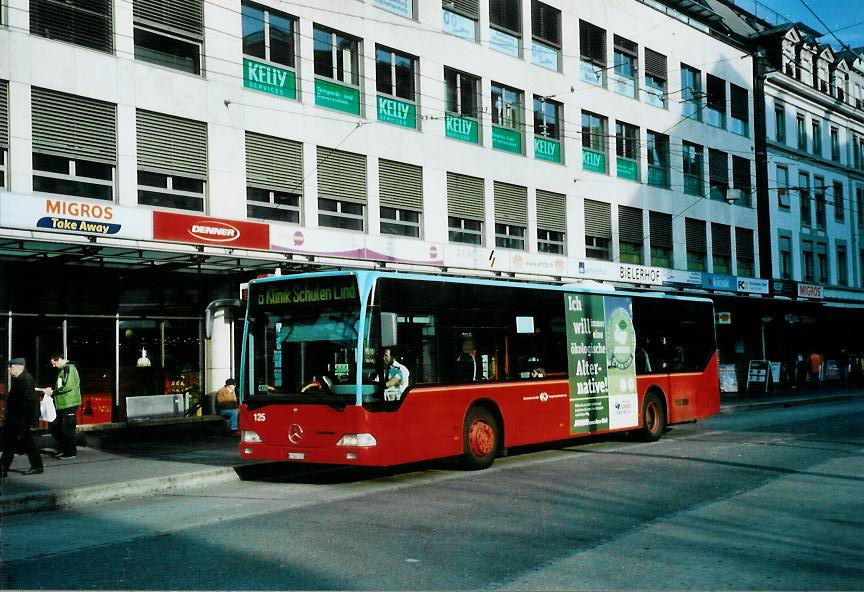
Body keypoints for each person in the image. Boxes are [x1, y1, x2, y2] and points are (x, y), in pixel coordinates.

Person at [1, 358, 44, 477]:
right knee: (25, 443)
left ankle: (3, 469)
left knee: (11, 444)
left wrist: (22, 420)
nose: (9, 370)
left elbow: (28, 402)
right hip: (17, 419)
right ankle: (37, 466)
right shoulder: (21, 379)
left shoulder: (26, 380)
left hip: (19, 420)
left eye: (11, 367)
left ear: (17, 367)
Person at [44, 353, 81, 459]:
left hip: (68, 403)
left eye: (54, 363)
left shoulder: (69, 368)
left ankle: (70, 452)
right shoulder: (65, 369)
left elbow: (68, 385)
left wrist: (53, 392)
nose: (53, 366)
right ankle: (64, 449)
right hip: (64, 403)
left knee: (67, 428)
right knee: (59, 427)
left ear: (59, 359)